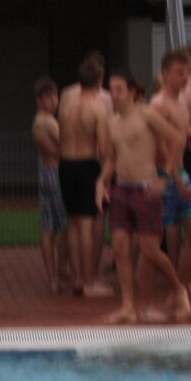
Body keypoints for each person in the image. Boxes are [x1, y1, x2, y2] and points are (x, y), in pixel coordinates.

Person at [96, 71, 191, 324]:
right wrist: (101, 181)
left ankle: (178, 289)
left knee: (150, 250)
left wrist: (165, 177)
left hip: (145, 188)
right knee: (120, 248)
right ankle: (128, 306)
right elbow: (112, 159)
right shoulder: (112, 122)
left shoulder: (146, 115)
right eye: (111, 89)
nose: (113, 95)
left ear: (132, 93)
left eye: (119, 90)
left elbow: (177, 139)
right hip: (122, 189)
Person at [56, 52, 114, 296]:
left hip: (65, 164)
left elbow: (61, 135)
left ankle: (77, 277)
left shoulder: (66, 103)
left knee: (73, 222)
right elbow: (104, 149)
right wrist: (106, 175)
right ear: (99, 80)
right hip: (87, 164)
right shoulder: (98, 108)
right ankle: (90, 281)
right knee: (88, 222)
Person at [149, 48, 191, 289]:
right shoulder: (159, 105)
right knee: (151, 243)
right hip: (165, 174)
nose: (185, 77)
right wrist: (175, 178)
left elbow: (182, 139)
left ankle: (179, 288)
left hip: (180, 172)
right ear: (165, 74)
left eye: (187, 72)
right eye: (179, 73)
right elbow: (160, 148)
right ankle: (150, 296)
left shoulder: (181, 102)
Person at [31, 76, 67, 294]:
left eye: (55, 96)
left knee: (48, 228)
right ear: (39, 101)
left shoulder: (38, 122)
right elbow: (65, 145)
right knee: (67, 226)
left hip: (46, 172)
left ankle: (53, 277)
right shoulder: (47, 122)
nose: (53, 101)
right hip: (55, 173)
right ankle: (60, 271)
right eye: (48, 98)